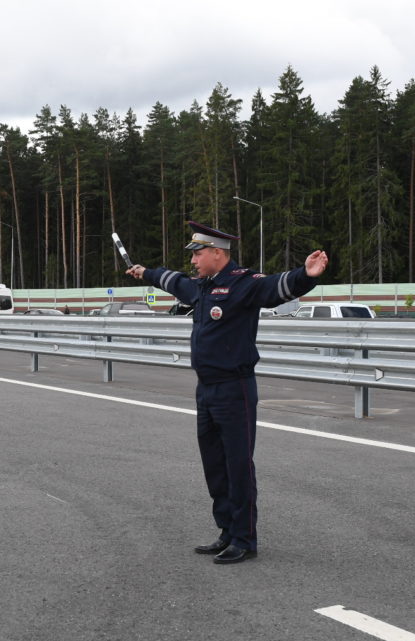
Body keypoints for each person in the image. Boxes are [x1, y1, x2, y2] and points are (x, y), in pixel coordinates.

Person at [126, 220, 329, 564]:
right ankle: (225, 531)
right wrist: (145, 271)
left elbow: (277, 287)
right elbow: (172, 280)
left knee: (238, 466)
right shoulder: (201, 287)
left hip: (235, 390)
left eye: (198, 254)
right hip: (205, 391)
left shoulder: (243, 284)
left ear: (217, 254)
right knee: (215, 466)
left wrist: (306, 275)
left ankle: (244, 538)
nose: (193, 260)